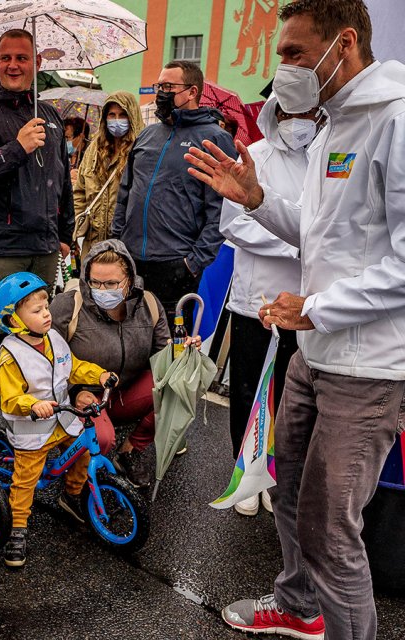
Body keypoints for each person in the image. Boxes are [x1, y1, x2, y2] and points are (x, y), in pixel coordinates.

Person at [185, 1, 405, 638]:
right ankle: (299, 604)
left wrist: (314, 308)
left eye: (293, 53)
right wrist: (257, 200)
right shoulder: (336, 126)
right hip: (317, 354)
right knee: (289, 495)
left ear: (342, 45)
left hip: (368, 368)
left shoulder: (393, 120)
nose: (282, 68)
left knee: (332, 529)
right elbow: (320, 240)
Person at [219, 96, 322, 517]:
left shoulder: (327, 161)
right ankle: (246, 475)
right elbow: (234, 223)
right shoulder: (253, 156)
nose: (296, 122)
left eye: (306, 113)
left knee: (293, 395)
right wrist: (294, 245)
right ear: (274, 115)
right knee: (249, 389)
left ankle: (278, 472)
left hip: (306, 303)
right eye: (288, 113)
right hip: (256, 299)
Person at [0, 28, 74, 380]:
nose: (13, 65)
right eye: (6, 58)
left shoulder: (50, 115)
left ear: (36, 62)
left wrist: (65, 234)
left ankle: (30, 398)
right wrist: (16, 148)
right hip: (1, 247)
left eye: (22, 58)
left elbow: (62, 179)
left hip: (46, 245)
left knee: (38, 330)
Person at [0, 272, 115, 568]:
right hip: (33, 429)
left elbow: (72, 367)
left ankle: (72, 494)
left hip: (63, 420)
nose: (46, 314)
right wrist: (33, 405)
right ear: (13, 320)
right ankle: (16, 527)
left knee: (84, 448)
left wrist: (98, 375)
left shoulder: (54, 338)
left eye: (46, 307)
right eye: (37, 311)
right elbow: (10, 399)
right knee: (25, 482)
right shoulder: (9, 357)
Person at [51, 240, 200, 488]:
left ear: (129, 279)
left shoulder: (149, 304)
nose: (102, 289)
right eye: (95, 282)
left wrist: (183, 352)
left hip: (123, 393)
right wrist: (75, 391)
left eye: (111, 284)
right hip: (83, 397)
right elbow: (47, 361)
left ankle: (131, 449)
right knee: (101, 439)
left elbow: (164, 355)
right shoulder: (68, 306)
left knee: (181, 384)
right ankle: (74, 485)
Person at [112, 59, 237, 331]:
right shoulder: (147, 135)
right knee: (129, 338)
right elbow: (126, 190)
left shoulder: (214, 139)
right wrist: (117, 238)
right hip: (131, 260)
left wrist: (192, 263)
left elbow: (222, 210)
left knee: (168, 350)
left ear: (192, 92)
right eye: (159, 85)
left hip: (176, 265)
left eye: (168, 86)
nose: (161, 93)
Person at [73, 91, 144, 260]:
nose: (116, 120)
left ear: (132, 116)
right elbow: (80, 193)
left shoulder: (142, 149)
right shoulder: (93, 150)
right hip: (93, 244)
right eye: (112, 115)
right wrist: (75, 228)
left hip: (126, 245)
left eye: (122, 115)